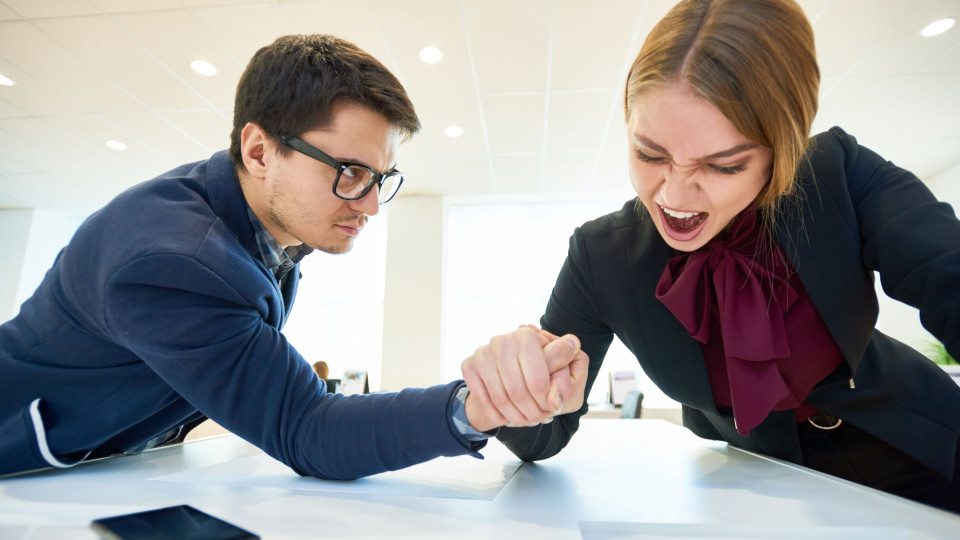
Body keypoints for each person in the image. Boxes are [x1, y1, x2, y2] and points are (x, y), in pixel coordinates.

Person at [0, 34, 585, 480]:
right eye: (352, 173)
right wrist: (475, 406)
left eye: (381, 178)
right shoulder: (175, 261)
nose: (371, 205)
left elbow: (281, 389)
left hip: (107, 462)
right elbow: (306, 429)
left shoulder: (263, 229)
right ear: (260, 151)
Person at [461, 0, 960, 512]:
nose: (674, 195)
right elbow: (547, 434)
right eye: (649, 154)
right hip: (759, 487)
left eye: (723, 166)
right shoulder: (600, 256)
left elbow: (949, 275)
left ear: (780, 149)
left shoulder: (836, 174)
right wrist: (517, 395)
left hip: (928, 441)